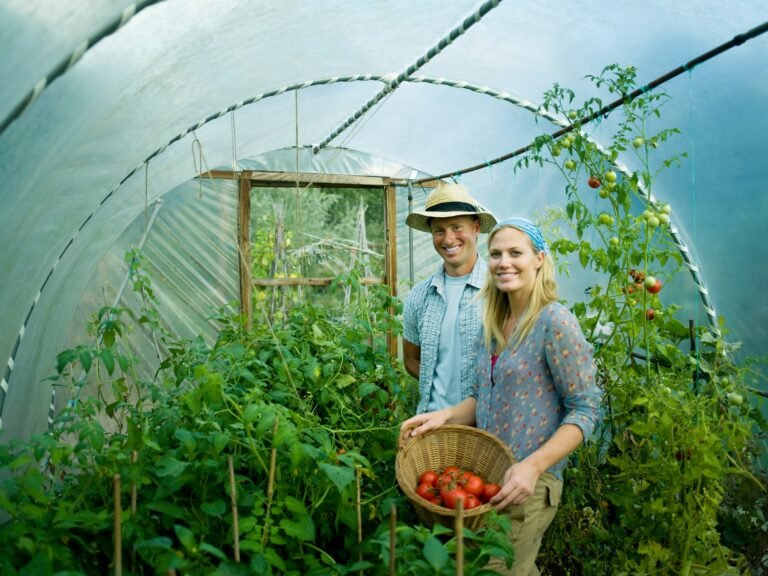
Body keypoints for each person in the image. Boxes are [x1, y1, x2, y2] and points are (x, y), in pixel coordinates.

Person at [400, 217, 602, 576]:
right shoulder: (494, 322)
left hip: (530, 481)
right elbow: (482, 399)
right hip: (492, 475)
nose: (504, 262)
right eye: (496, 254)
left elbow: (585, 410)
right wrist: (441, 418)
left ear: (539, 258)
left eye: (515, 253)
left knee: (499, 569)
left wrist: (533, 467)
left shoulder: (554, 322)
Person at [402, 182, 497, 415]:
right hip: (433, 424)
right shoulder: (420, 296)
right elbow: (411, 361)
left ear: (475, 227)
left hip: (486, 425)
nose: (448, 239)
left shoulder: (499, 290)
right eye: (439, 230)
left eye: (456, 227)